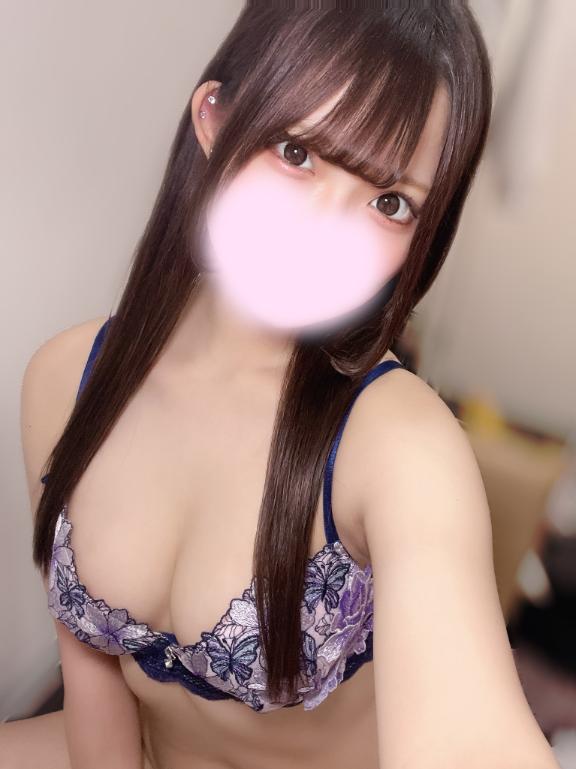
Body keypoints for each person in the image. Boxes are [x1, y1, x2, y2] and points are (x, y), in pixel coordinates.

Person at [1, 3, 561, 769]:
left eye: (389, 202)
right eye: (298, 153)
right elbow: (96, 708)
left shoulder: (399, 443)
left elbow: (471, 742)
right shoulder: (66, 378)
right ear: (215, 118)